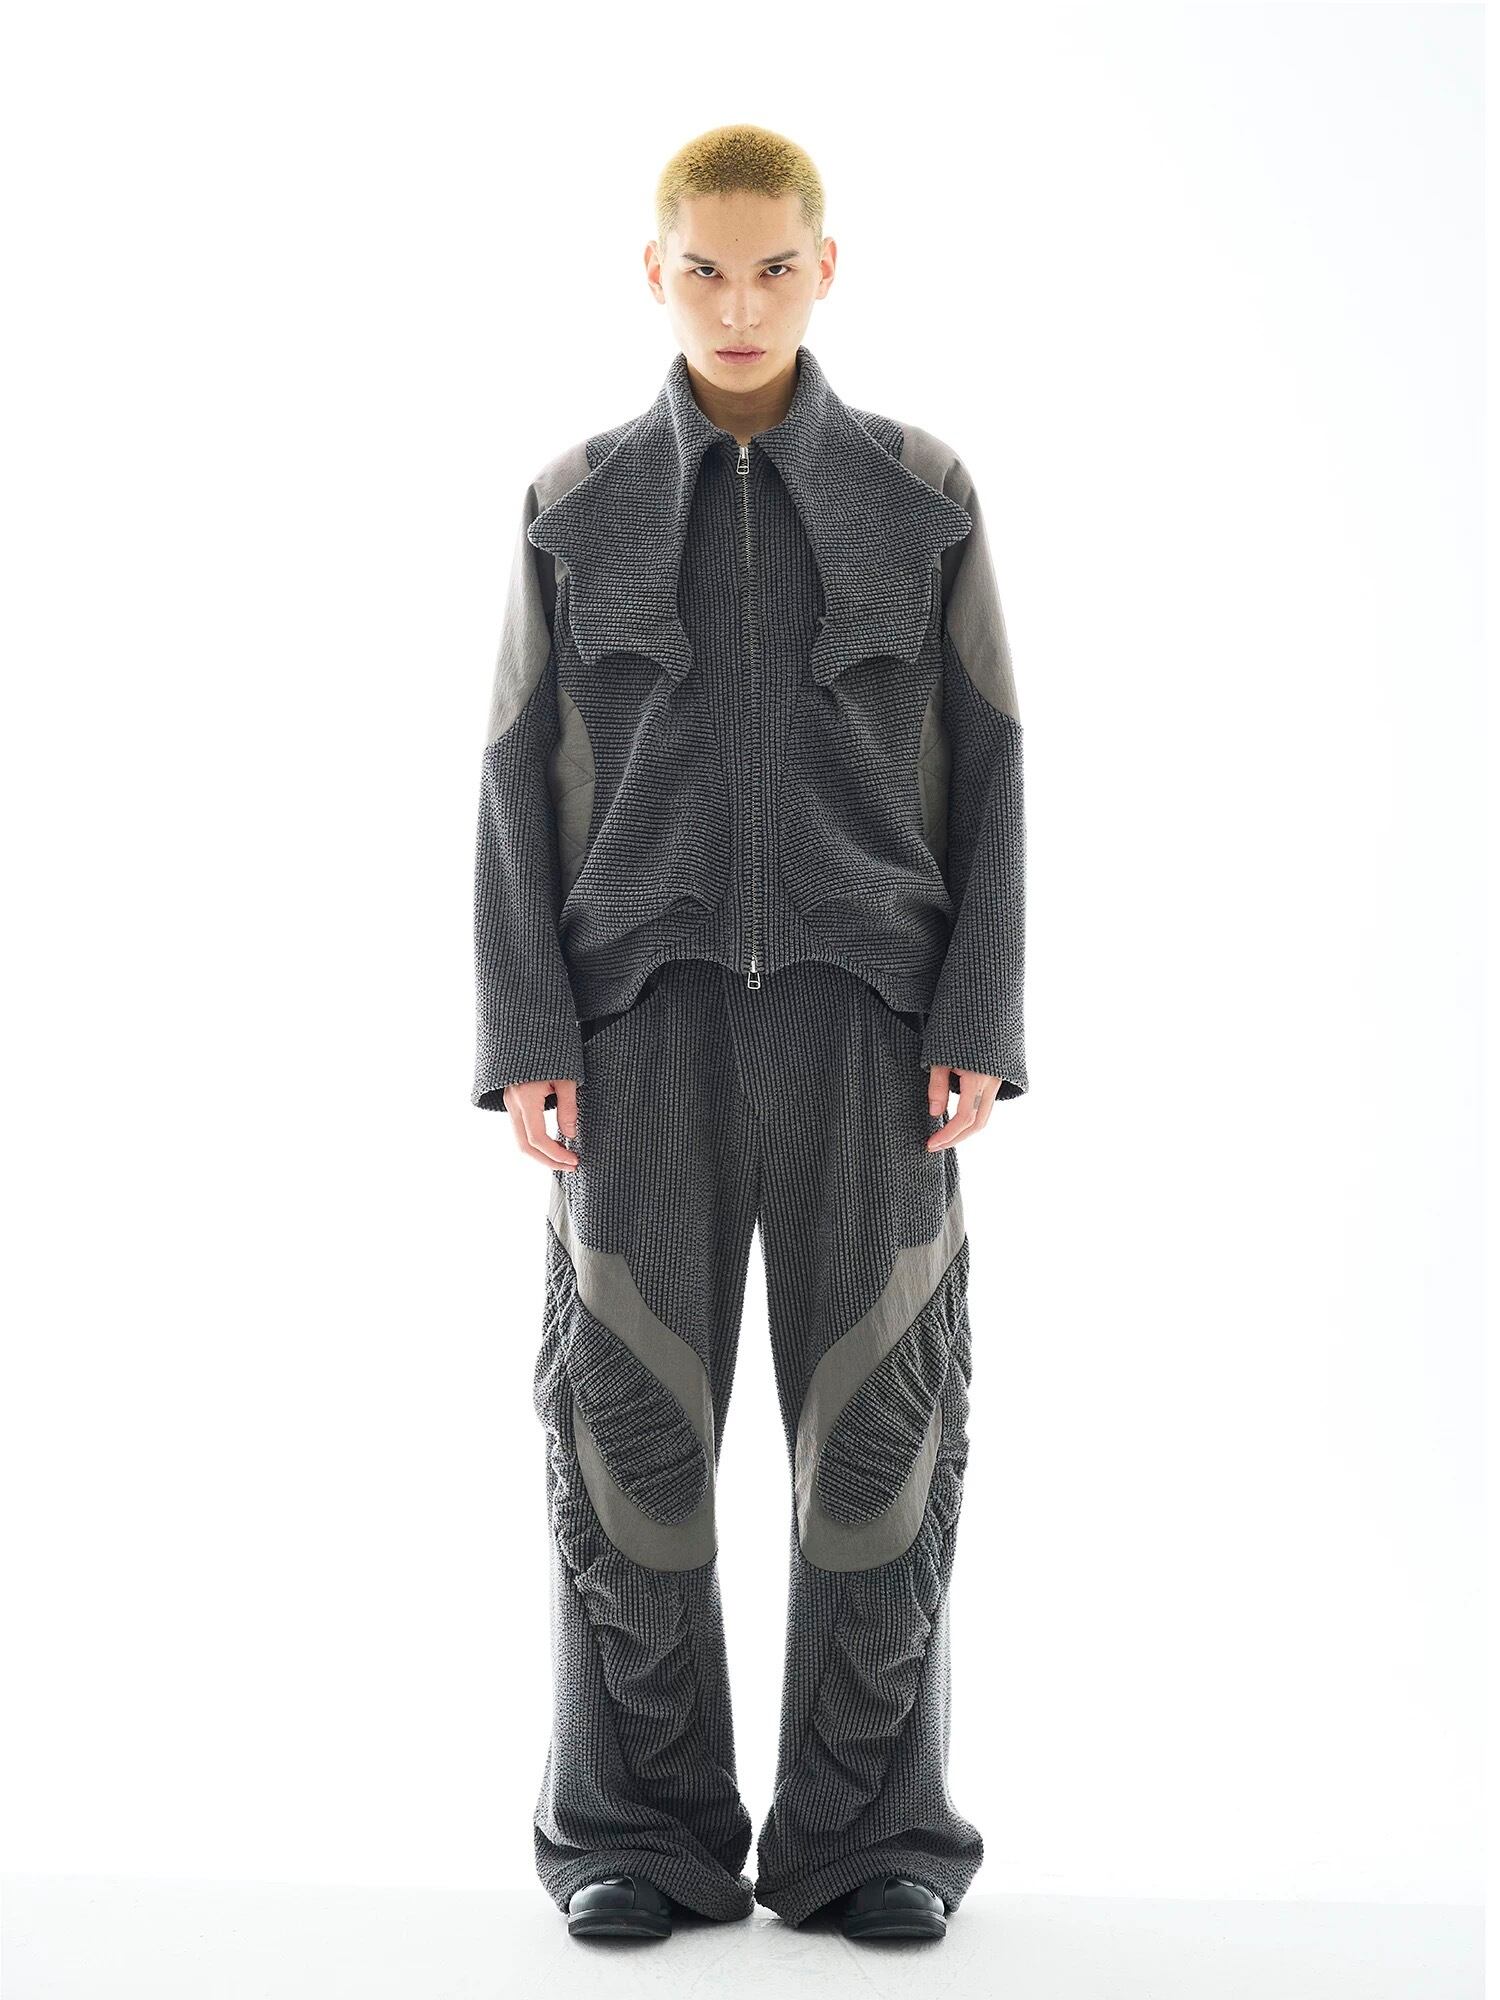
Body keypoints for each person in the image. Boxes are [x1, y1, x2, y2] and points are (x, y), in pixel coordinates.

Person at [471, 122, 1027, 1944]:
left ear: (824, 269)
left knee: (886, 1440)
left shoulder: (920, 489)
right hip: (635, 1030)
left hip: (874, 1034)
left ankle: (873, 1841)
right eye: (703, 269)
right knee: (623, 1433)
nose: (737, 303)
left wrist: (977, 1011)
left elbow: (994, 756)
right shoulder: (572, 502)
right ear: (655, 273)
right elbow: (510, 778)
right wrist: (528, 1028)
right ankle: (638, 1832)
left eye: (772, 267)